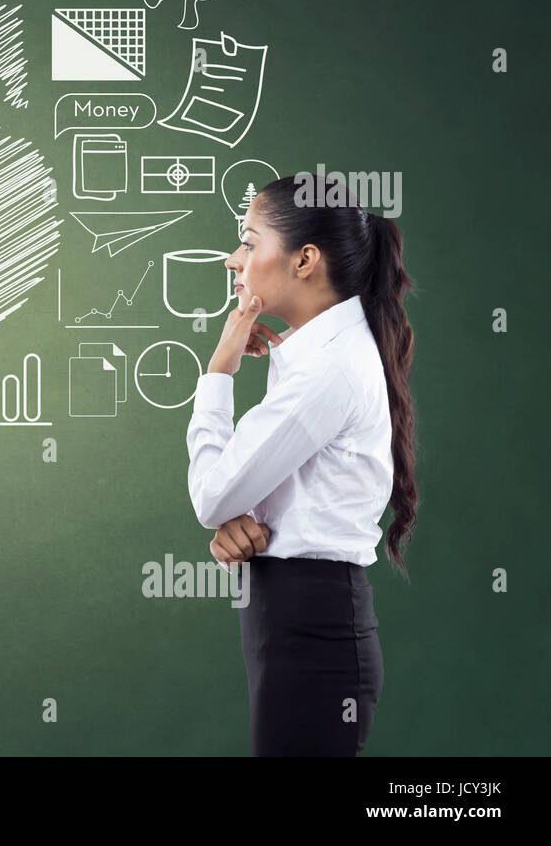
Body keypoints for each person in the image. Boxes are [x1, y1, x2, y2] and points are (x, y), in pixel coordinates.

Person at [185, 175, 419, 756]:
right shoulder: (315, 356)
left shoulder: (327, 370)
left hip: (312, 628)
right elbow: (239, 501)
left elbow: (213, 495)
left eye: (249, 240)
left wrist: (218, 372)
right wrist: (235, 523)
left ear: (305, 260)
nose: (233, 258)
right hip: (294, 618)